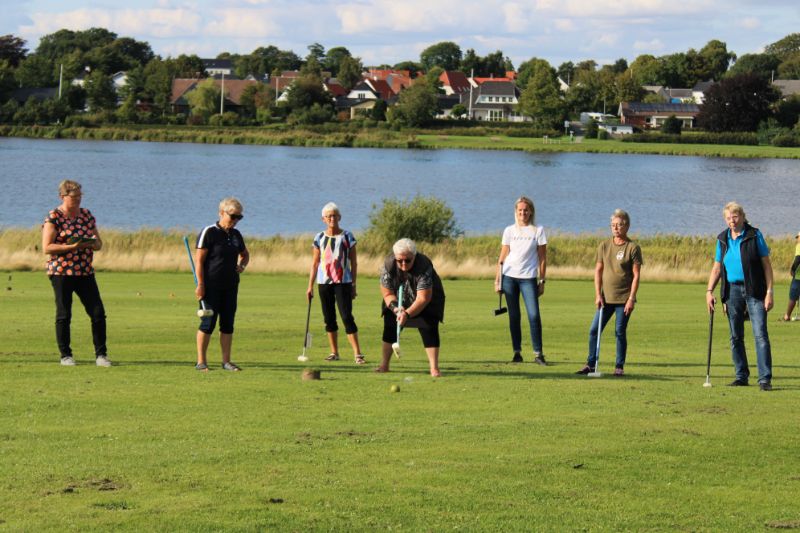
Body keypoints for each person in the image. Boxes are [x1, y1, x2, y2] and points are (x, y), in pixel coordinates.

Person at [706, 202, 774, 390]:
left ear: (743, 217)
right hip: (732, 291)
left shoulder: (754, 235)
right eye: (728, 218)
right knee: (735, 336)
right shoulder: (722, 239)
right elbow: (717, 268)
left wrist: (769, 292)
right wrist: (709, 291)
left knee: (760, 334)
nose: (732, 221)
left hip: (755, 290)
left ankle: (764, 379)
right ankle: (741, 376)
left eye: (735, 217)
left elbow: (767, 266)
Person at [42, 180, 111, 367]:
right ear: (62, 196)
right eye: (74, 196)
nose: (78, 200)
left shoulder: (87, 215)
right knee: (64, 314)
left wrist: (91, 243)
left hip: (85, 271)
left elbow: (99, 244)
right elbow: (47, 247)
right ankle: (66, 355)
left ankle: (101, 355)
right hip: (61, 271)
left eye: (80, 196)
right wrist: (71, 246)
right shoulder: (54, 217)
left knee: (98, 313)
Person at [576, 209, 642, 377]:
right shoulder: (604, 246)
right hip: (605, 299)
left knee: (619, 332)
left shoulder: (633, 248)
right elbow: (598, 271)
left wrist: (631, 298)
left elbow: (636, 275)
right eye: (613, 225)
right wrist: (598, 294)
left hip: (624, 299)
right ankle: (590, 364)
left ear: (626, 226)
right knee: (593, 330)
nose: (615, 228)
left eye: (619, 225)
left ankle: (619, 366)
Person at [194, 197, 249, 372]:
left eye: (239, 217)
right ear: (221, 213)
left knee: (227, 324)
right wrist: (200, 284)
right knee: (208, 323)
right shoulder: (209, 232)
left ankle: (226, 362)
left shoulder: (236, 235)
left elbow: (245, 254)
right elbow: (199, 261)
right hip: (210, 286)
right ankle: (201, 362)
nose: (236, 220)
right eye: (233, 216)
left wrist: (242, 265)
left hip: (231, 286)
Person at [306, 202, 365, 364]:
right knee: (329, 318)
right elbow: (315, 264)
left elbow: (354, 263)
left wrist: (353, 285)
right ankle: (334, 352)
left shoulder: (347, 236)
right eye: (329, 216)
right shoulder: (319, 238)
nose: (332, 218)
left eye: (334, 215)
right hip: (324, 283)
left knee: (346, 316)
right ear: (323, 219)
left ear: (339, 217)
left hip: (343, 282)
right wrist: (310, 286)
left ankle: (357, 354)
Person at [377, 238, 445, 377]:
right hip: (398, 298)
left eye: (407, 260)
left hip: (426, 299)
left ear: (414, 256)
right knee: (390, 326)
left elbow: (423, 298)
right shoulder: (388, 265)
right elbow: (387, 293)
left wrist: (407, 314)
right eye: (399, 260)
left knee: (429, 327)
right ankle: (384, 365)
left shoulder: (424, 267)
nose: (403, 264)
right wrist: (396, 309)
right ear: (395, 257)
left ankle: (434, 368)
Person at [494, 196, 548, 365]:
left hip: (528, 279)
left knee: (534, 315)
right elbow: (502, 258)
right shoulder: (509, 230)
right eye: (520, 210)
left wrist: (542, 281)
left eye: (526, 210)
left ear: (531, 211)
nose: (523, 213)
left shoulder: (538, 230)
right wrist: (498, 280)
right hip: (509, 278)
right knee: (514, 316)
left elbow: (542, 258)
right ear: (516, 212)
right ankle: (517, 353)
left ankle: (538, 354)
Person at [781, 231, 800, 321]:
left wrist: (792, 269)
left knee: (793, 296)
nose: (797, 239)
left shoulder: (799, 246)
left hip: (798, 276)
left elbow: (798, 259)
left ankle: (787, 316)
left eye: (798, 237)